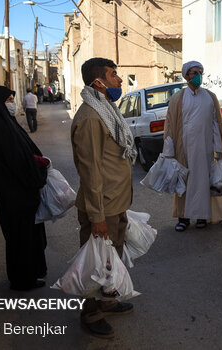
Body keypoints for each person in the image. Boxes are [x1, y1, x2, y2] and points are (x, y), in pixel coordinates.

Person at [70, 57, 136, 339]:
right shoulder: (90, 117)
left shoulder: (106, 109)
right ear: (98, 81)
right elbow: (90, 170)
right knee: (96, 262)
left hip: (115, 201)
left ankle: (107, 300)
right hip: (101, 205)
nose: (119, 80)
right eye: (113, 75)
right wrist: (96, 216)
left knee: (112, 256)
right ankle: (90, 311)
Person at [0, 85, 48, 290]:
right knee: (21, 237)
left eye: (11, 99)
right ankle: (23, 280)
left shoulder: (4, 122)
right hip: (15, 192)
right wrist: (37, 173)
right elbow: (16, 160)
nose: (12, 104)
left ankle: (31, 273)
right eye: (8, 100)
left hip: (18, 190)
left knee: (26, 234)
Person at [163, 60, 222, 231]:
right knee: (183, 182)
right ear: (186, 76)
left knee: (204, 182)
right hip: (184, 148)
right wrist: (169, 151)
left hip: (205, 149)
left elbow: (216, 123)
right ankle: (183, 218)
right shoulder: (177, 98)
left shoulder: (210, 96)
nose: (198, 75)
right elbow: (170, 125)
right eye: (194, 72)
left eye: (200, 72)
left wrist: (218, 150)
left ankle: (202, 217)